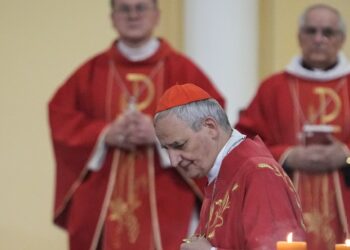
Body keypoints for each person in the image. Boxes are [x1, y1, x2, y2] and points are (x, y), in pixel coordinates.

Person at [48, 0, 224, 249]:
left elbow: (213, 122)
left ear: (156, 15)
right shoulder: (90, 72)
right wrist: (104, 134)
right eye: (124, 9)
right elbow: (61, 117)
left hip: (169, 194)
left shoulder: (182, 69)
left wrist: (158, 134)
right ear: (112, 18)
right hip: (103, 200)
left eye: (140, 7)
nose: (133, 15)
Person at [235, 4, 350, 250]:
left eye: (328, 32)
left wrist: (346, 156)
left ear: (342, 39)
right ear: (299, 36)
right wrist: (287, 156)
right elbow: (243, 143)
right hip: (284, 205)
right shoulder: (273, 88)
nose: (319, 39)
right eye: (311, 31)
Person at [154, 83, 306, 250]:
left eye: (180, 145)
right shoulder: (219, 175)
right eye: (166, 149)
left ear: (210, 127)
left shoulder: (260, 173)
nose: (174, 161)